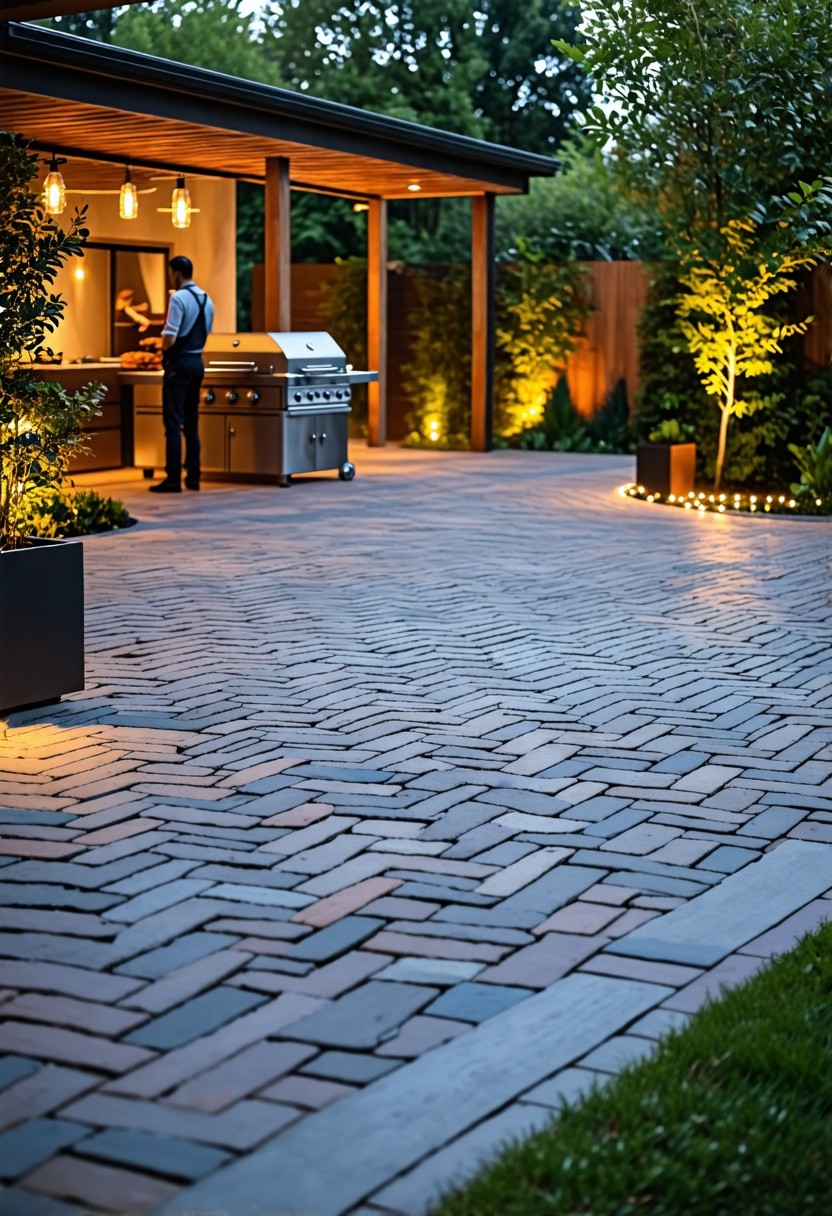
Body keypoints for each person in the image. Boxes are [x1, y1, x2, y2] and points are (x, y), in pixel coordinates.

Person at [150, 255, 214, 493]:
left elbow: (170, 335)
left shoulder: (177, 298)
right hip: (198, 362)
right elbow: (207, 331)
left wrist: (163, 350)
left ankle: (174, 478)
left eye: (170, 274)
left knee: (173, 422)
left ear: (176, 273)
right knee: (192, 422)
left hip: (179, 364)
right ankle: (194, 476)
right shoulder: (207, 299)